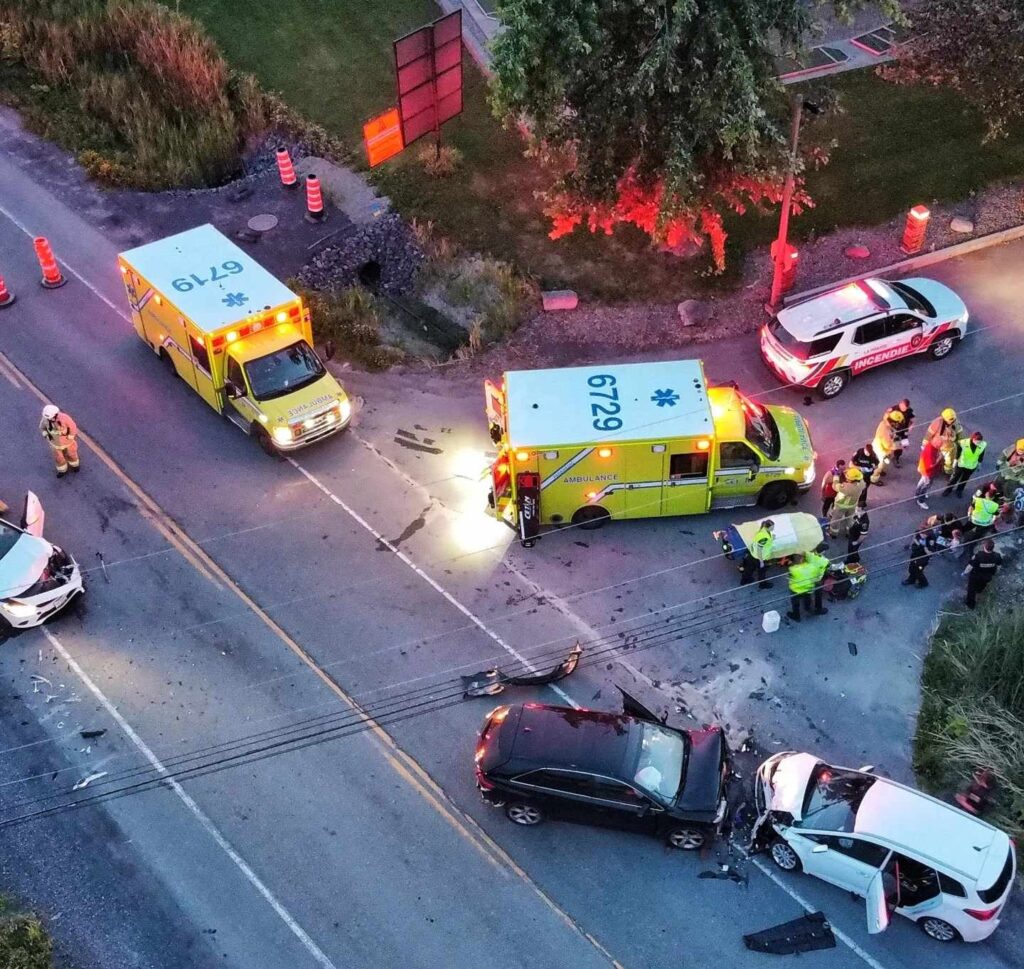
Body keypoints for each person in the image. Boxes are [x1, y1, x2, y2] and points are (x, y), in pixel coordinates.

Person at [39, 404, 80, 477]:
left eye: (51, 418)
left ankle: (75, 465)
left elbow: (72, 427)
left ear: (55, 414)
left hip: (67, 442)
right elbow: (42, 427)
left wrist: (71, 436)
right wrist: (46, 434)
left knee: (71, 454)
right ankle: (62, 470)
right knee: (58, 458)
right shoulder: (45, 419)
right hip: (55, 444)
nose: (49, 419)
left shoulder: (64, 418)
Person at [962, 539, 1002, 609]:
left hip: (975, 576)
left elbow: (970, 566)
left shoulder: (978, 556)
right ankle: (979, 590)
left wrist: (964, 573)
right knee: (982, 585)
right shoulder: (997, 556)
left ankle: (970, 605)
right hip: (987, 576)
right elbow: (999, 565)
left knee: (971, 590)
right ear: (993, 547)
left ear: (984, 547)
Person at [944, 431, 986, 498]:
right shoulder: (963, 443)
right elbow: (958, 451)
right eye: (977, 442)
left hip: (971, 466)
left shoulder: (982, 445)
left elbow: (981, 455)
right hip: (961, 464)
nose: (979, 444)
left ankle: (959, 491)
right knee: (955, 478)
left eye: (980, 442)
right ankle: (948, 490)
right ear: (973, 439)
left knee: (964, 480)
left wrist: (979, 464)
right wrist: (955, 460)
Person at [962, 488, 1001, 554]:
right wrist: (991, 521)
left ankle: (960, 534)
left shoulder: (978, 500)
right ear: (993, 497)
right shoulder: (995, 505)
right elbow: (997, 515)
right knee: (978, 534)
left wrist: (969, 515)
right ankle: (972, 543)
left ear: (986, 494)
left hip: (974, 519)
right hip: (984, 523)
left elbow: (971, 507)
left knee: (966, 527)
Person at [926, 407, 963, 476]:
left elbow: (960, 435)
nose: (952, 420)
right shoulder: (937, 422)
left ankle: (948, 471)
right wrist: (925, 442)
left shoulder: (956, 424)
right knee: (932, 458)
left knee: (949, 461)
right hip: (936, 445)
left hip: (948, 447)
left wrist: (960, 444)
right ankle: (929, 469)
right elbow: (930, 433)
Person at [829, 467, 865, 538]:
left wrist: (836, 475)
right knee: (850, 519)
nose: (847, 479)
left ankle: (833, 533)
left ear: (851, 480)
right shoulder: (862, 483)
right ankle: (849, 532)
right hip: (852, 505)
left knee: (836, 519)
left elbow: (835, 485)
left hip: (841, 506)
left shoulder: (846, 487)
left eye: (848, 478)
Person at [871, 410, 904, 484]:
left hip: (879, 446)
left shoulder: (884, 423)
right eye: (897, 423)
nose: (898, 425)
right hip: (881, 451)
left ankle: (880, 472)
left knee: (882, 464)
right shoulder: (885, 431)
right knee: (880, 465)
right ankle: (874, 479)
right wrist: (898, 445)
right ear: (893, 422)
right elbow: (888, 445)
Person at [743, 519, 775, 590]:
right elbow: (760, 549)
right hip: (760, 557)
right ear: (768, 527)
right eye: (772, 527)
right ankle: (762, 584)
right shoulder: (764, 537)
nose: (773, 528)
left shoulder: (762, 530)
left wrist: (772, 539)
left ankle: (744, 580)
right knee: (762, 572)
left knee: (749, 568)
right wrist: (761, 561)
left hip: (753, 554)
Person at [786, 553, 816, 622]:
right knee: (807, 598)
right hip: (808, 587)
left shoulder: (793, 569)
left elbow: (789, 577)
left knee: (795, 603)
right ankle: (807, 608)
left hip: (796, 589)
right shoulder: (811, 567)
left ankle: (796, 616)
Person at [915, 438, 943, 510]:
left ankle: (917, 494)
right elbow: (931, 464)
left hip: (923, 470)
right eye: (940, 445)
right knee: (926, 485)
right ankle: (921, 500)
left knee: (922, 482)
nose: (941, 446)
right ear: (936, 444)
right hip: (928, 472)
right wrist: (939, 457)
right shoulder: (931, 451)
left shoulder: (930, 445)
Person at [886, 399, 915, 466]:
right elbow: (886, 416)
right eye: (902, 407)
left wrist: (911, 426)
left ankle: (897, 457)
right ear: (900, 404)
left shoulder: (909, 411)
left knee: (902, 446)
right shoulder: (894, 409)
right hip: (894, 430)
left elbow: (913, 420)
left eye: (905, 408)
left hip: (904, 431)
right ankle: (889, 454)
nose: (903, 409)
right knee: (892, 444)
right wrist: (888, 426)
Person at [804, 545, 831, 616]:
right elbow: (828, 566)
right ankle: (818, 609)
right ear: (823, 552)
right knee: (818, 594)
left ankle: (807, 606)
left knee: (807, 592)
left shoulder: (809, 554)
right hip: (816, 580)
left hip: (806, 577)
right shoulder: (824, 561)